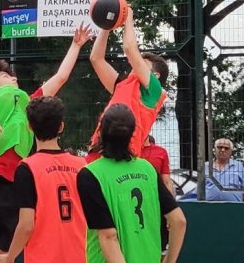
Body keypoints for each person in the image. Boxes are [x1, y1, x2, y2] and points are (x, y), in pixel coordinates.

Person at [0, 24, 92, 263]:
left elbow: (60, 78)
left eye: (14, 76)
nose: (14, 78)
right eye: (6, 75)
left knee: (3, 257)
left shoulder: (27, 105)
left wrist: (76, 44)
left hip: (12, 188)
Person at [78, 104, 187, 263]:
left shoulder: (90, 174)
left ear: (100, 132)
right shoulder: (147, 169)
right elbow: (179, 221)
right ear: (133, 134)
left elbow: (109, 236)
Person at [0, 96, 88, 263]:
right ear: (61, 127)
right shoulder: (82, 165)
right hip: (80, 256)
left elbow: (26, 225)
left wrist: (10, 257)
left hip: (43, 257)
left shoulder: (27, 168)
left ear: (30, 127)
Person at [87, 7, 170, 160]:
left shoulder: (154, 91)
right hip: (99, 151)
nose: (135, 65)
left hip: (124, 156)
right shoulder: (122, 85)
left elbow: (130, 48)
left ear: (156, 75)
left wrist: (128, 17)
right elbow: (96, 58)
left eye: (142, 64)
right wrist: (107, 26)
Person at [204, 138, 244, 202]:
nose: (223, 150)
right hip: (209, 207)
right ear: (214, 149)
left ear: (231, 151)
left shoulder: (238, 166)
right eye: (220, 147)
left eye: (226, 148)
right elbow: (199, 190)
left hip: (233, 208)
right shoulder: (206, 166)